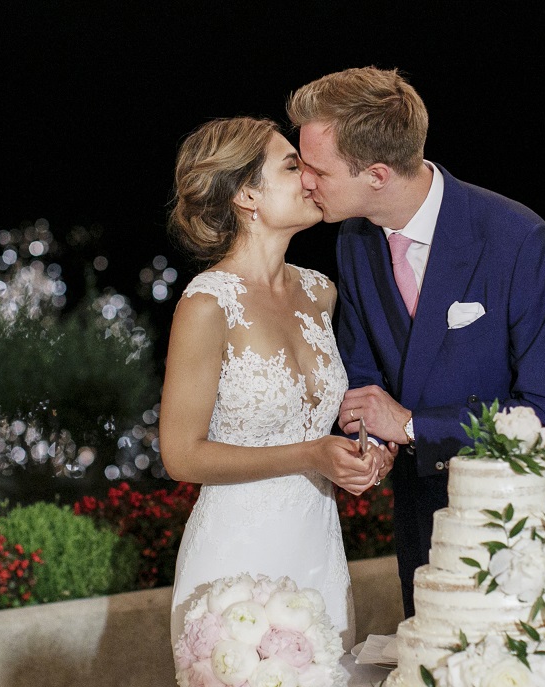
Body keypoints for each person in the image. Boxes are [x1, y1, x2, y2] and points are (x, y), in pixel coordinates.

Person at [287, 67, 545, 617]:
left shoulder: (517, 239)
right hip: (423, 518)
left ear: (378, 174)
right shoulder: (353, 241)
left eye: (316, 169)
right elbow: (364, 375)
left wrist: (410, 426)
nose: (303, 181)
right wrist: (373, 440)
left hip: (522, 520)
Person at [160, 116, 395, 652]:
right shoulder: (206, 305)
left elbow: (339, 407)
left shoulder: (320, 292)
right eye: (293, 166)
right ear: (247, 193)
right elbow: (181, 455)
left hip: (317, 550)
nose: (310, 177)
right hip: (234, 561)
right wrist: (312, 455)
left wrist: (370, 451)